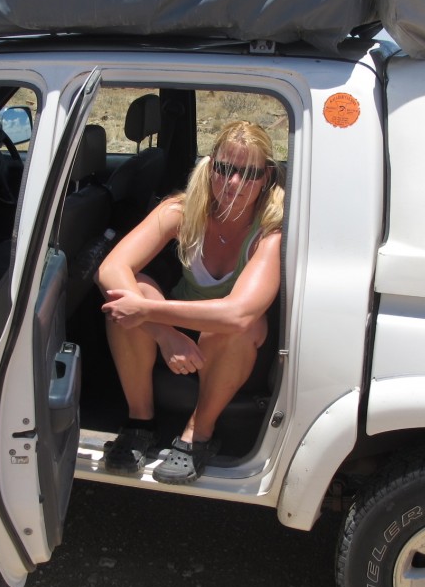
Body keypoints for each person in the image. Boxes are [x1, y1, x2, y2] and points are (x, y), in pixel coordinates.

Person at [96, 120, 284, 484]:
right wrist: (165, 334)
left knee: (239, 328)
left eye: (249, 173)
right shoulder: (180, 211)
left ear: (266, 178)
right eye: (225, 169)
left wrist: (148, 312)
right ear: (210, 167)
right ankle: (140, 422)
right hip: (176, 323)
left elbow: (238, 313)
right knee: (127, 296)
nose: (233, 183)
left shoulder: (269, 231)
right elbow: (110, 268)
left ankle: (198, 434)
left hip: (228, 335)